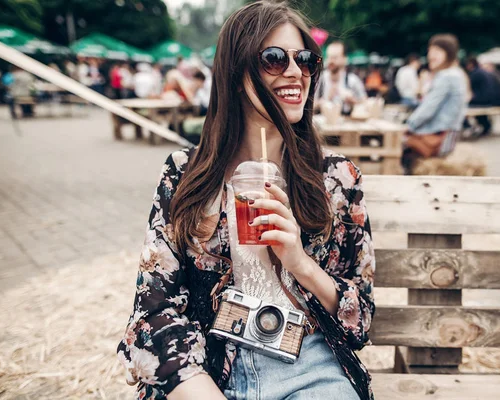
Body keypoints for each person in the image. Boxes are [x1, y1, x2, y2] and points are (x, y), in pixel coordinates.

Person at [116, 2, 375, 400]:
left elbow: (361, 316)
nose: (295, 72)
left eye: (305, 59)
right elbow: (153, 313)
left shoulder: (336, 178)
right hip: (206, 365)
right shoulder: (185, 172)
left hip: (307, 362)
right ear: (235, 73)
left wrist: (299, 263)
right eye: (274, 58)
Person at [402, 34, 467, 173]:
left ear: (449, 55)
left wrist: (408, 126)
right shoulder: (455, 74)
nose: (431, 56)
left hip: (439, 138)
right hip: (447, 135)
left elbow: (428, 109)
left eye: (437, 52)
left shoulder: (447, 76)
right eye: (430, 51)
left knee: (397, 145)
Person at [315, 41, 366, 115]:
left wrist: (353, 101)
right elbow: (309, 107)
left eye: (335, 57)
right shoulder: (319, 80)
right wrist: (323, 101)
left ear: (345, 59)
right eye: (329, 57)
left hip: (347, 124)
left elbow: (365, 103)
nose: (331, 61)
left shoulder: (353, 80)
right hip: (323, 124)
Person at [465, 57, 500, 136]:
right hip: (495, 100)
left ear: (470, 65)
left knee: (466, 107)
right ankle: (485, 126)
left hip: (489, 100)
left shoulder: (475, 73)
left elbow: (469, 88)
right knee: (474, 105)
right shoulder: (487, 73)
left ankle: (469, 126)